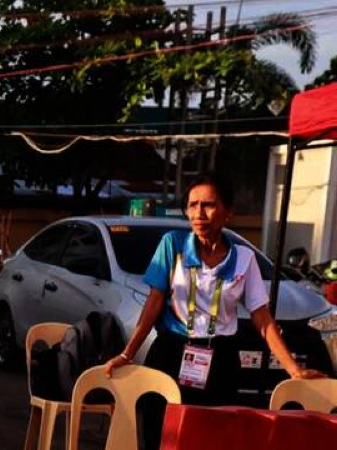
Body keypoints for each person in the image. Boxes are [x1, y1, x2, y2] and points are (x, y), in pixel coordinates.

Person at [106, 170, 324, 398]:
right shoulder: (172, 245)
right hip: (172, 351)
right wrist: (127, 354)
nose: (199, 213)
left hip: (221, 358)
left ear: (228, 212)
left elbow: (261, 317)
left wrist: (293, 370)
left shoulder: (244, 258)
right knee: (163, 429)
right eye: (192, 205)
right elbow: (153, 303)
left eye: (208, 205)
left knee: (214, 430)